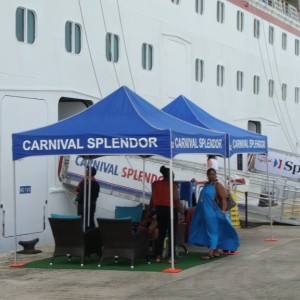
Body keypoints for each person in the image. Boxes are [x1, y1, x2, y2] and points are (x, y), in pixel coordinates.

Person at [188, 168, 239, 259]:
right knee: (213, 231)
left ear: (215, 175)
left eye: (213, 174)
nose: (211, 176)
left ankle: (210, 253)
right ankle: (215, 251)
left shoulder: (217, 185)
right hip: (206, 212)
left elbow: (224, 198)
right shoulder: (207, 185)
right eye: (209, 174)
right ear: (207, 175)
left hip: (212, 212)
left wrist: (223, 211)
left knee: (212, 232)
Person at [148, 166, 185, 263]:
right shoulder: (173, 185)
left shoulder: (156, 184)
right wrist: (182, 212)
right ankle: (171, 257)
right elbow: (176, 199)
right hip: (170, 210)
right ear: (170, 176)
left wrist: (149, 211)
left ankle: (158, 257)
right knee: (172, 233)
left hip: (159, 210)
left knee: (161, 234)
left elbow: (152, 200)